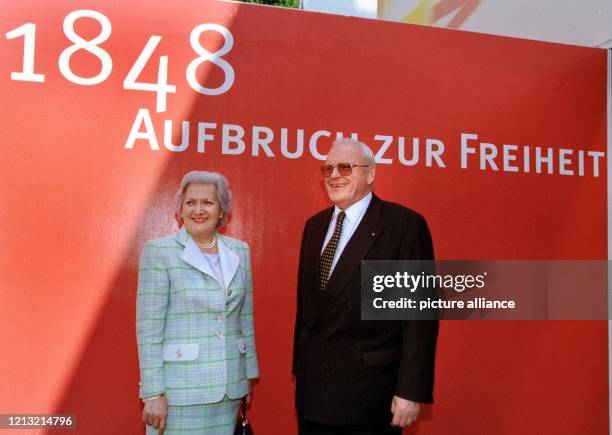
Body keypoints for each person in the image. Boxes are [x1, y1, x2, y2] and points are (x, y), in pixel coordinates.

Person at [293, 138, 438, 434]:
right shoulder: (314, 226)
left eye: (345, 167)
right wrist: (300, 368)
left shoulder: (403, 225)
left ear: (370, 173)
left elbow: (419, 315)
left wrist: (410, 389)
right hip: (313, 394)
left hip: (370, 396)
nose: (334, 175)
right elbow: (307, 308)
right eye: (328, 168)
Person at [136, 171, 258, 434]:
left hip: (228, 389)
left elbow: (244, 318)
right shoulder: (159, 252)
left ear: (222, 209)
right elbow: (149, 329)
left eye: (208, 202)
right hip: (179, 393)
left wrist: (247, 375)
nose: (198, 210)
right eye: (190, 202)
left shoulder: (239, 251)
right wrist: (153, 392)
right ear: (180, 208)